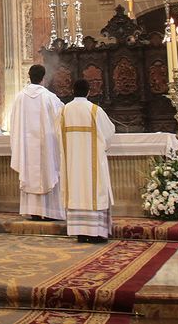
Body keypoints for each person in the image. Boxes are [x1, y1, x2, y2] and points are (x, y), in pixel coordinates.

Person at [60, 79, 115, 242]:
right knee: (93, 191)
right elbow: (109, 133)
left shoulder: (64, 111)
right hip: (93, 163)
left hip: (72, 163)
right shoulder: (94, 110)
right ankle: (95, 232)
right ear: (89, 92)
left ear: (72, 91)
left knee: (76, 190)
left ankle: (80, 232)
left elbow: (57, 136)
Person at [9, 64, 64, 221]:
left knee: (29, 173)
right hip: (46, 146)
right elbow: (61, 117)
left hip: (27, 148)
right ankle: (49, 211)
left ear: (29, 76)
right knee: (48, 171)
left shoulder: (20, 97)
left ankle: (33, 210)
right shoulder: (49, 97)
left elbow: (13, 123)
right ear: (43, 78)